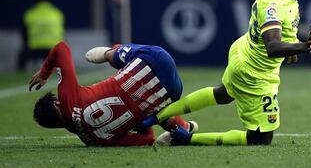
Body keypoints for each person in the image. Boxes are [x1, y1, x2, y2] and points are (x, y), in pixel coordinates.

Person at [138, 0, 311, 146]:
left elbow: (282, 29)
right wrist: (302, 46)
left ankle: (157, 116)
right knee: (260, 138)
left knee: (223, 94)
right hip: (255, 73)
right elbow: (273, 47)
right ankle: (185, 138)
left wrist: (292, 47)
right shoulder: (273, 7)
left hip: (243, 51)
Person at [29, 41, 197, 146]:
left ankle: (183, 127)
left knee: (145, 114)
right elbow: (61, 48)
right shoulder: (67, 100)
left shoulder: (94, 141)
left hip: (171, 93)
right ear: (57, 103)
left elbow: (147, 139)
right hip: (156, 60)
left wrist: (139, 122)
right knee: (115, 55)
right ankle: (111, 52)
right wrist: (45, 73)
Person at [18, 0, 65, 70]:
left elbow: (24, 33)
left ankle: (20, 73)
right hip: (53, 49)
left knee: (22, 56)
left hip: (35, 49)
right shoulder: (57, 13)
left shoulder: (30, 14)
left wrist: (26, 45)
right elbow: (62, 31)